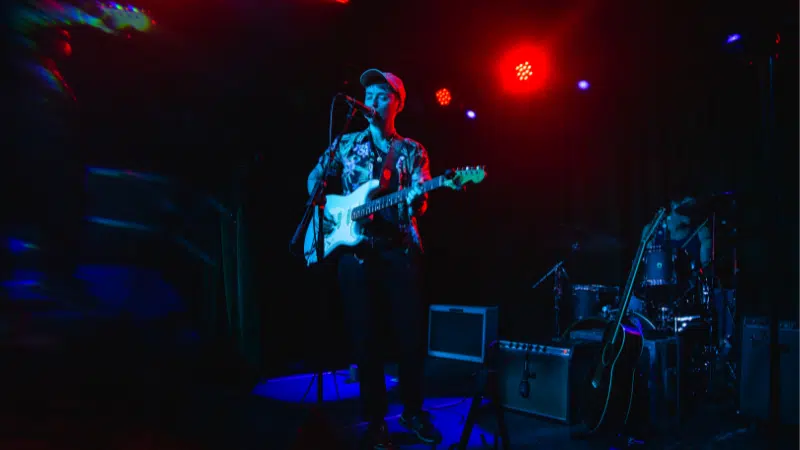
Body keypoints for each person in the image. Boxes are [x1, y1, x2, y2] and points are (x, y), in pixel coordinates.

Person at [306, 69, 441, 448]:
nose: (372, 100)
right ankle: (376, 420)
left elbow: (422, 197)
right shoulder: (345, 144)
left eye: (381, 94)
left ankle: (413, 412)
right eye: (368, 93)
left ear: (398, 101)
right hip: (356, 253)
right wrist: (325, 203)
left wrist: (418, 196)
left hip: (399, 250)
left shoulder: (412, 150)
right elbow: (316, 175)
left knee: (409, 338)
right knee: (365, 341)